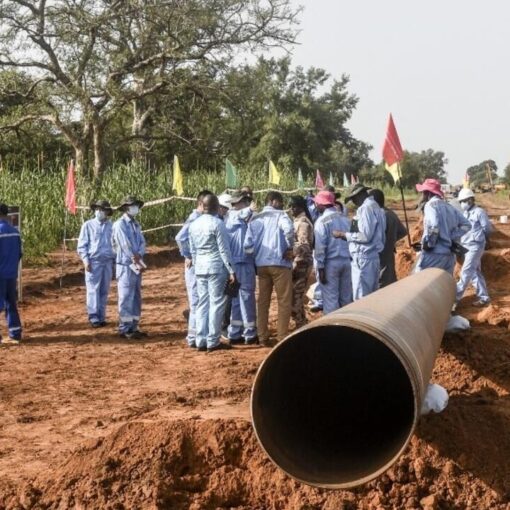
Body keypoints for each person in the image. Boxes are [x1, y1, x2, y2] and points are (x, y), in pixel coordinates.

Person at [244, 191, 294, 345]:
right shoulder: (281, 216)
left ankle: (263, 336)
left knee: (263, 302)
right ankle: (281, 337)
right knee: (284, 301)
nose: (282, 205)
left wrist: (256, 255)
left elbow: (247, 246)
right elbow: (289, 230)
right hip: (280, 264)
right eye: (280, 202)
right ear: (273, 201)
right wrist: (289, 247)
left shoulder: (255, 219)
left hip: (261, 266)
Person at [189, 194, 236, 352]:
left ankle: (200, 339)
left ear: (203, 206)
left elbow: (193, 251)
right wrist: (231, 270)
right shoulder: (218, 223)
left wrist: (196, 265)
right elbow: (224, 250)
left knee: (202, 303)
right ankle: (213, 340)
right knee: (217, 303)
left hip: (200, 268)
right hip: (216, 267)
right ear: (216, 207)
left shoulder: (193, 225)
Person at [332, 183, 386, 300]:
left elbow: (365, 236)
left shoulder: (366, 208)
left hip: (364, 259)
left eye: (353, 198)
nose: (353, 202)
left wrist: (343, 235)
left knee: (361, 298)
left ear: (359, 195)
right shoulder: (376, 207)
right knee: (371, 296)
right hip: (371, 257)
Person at [175, 190, 212, 347]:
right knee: (197, 301)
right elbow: (180, 237)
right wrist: (188, 254)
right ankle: (193, 337)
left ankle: (198, 334)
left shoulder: (203, 217)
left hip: (201, 264)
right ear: (200, 204)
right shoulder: (195, 218)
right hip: (195, 266)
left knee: (202, 301)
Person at [415, 178, 471, 275]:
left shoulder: (430, 205)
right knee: (443, 286)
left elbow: (434, 225)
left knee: (423, 284)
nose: (422, 195)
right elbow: (467, 225)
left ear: (427, 193)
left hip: (434, 255)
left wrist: (429, 244)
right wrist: (450, 236)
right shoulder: (449, 207)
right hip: (449, 256)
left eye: (423, 192)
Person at [224, 191, 258, 344]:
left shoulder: (240, 218)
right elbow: (242, 214)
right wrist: (250, 209)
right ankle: (249, 333)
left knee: (237, 299)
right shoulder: (234, 215)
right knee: (246, 297)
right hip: (242, 262)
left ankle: (235, 332)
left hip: (237, 262)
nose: (233, 205)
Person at [77, 200, 116, 327]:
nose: (100, 212)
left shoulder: (111, 226)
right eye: (98, 209)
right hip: (94, 262)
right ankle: (93, 316)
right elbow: (82, 246)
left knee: (104, 290)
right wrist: (86, 261)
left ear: (106, 212)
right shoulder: (87, 225)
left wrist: (114, 263)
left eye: (102, 210)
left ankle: (101, 315)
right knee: (93, 289)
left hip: (108, 262)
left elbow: (115, 245)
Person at [113, 196, 147, 339]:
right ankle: (125, 328)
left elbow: (142, 242)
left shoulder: (136, 225)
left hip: (136, 265)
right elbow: (124, 244)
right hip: (126, 265)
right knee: (126, 297)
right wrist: (133, 256)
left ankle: (134, 325)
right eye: (133, 206)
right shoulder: (119, 225)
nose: (136, 208)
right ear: (126, 208)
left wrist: (139, 254)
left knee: (136, 297)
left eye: (136, 205)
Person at [313, 191, 352, 314]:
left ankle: (333, 330)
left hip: (331, 264)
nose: (315, 205)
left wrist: (320, 268)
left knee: (330, 300)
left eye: (317, 203)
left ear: (322, 204)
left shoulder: (321, 221)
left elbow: (320, 248)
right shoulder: (346, 220)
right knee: (346, 298)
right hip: (347, 262)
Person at [455, 188, 493, 306]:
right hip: (466, 245)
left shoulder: (479, 212)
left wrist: (483, 240)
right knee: (475, 272)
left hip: (476, 245)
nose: (462, 204)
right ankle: (484, 297)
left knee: (466, 271)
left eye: (464, 201)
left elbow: (487, 228)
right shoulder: (465, 213)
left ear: (471, 200)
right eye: (461, 201)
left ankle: (454, 297)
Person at [368, 189, 408, 287]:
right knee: (390, 284)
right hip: (389, 255)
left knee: (378, 285)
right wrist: (391, 240)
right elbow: (403, 232)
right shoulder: (391, 214)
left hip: (376, 257)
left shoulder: (375, 215)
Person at [289, 196, 314, 327]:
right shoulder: (298, 220)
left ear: (301, 207)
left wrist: (290, 252)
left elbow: (303, 246)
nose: (291, 209)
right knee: (296, 295)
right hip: (301, 262)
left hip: (301, 263)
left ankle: (300, 323)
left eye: (294, 206)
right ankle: (301, 321)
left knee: (295, 296)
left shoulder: (303, 223)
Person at [0, 203, 22, 344]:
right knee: (11, 304)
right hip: (11, 274)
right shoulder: (14, 231)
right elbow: (20, 253)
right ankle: (15, 333)